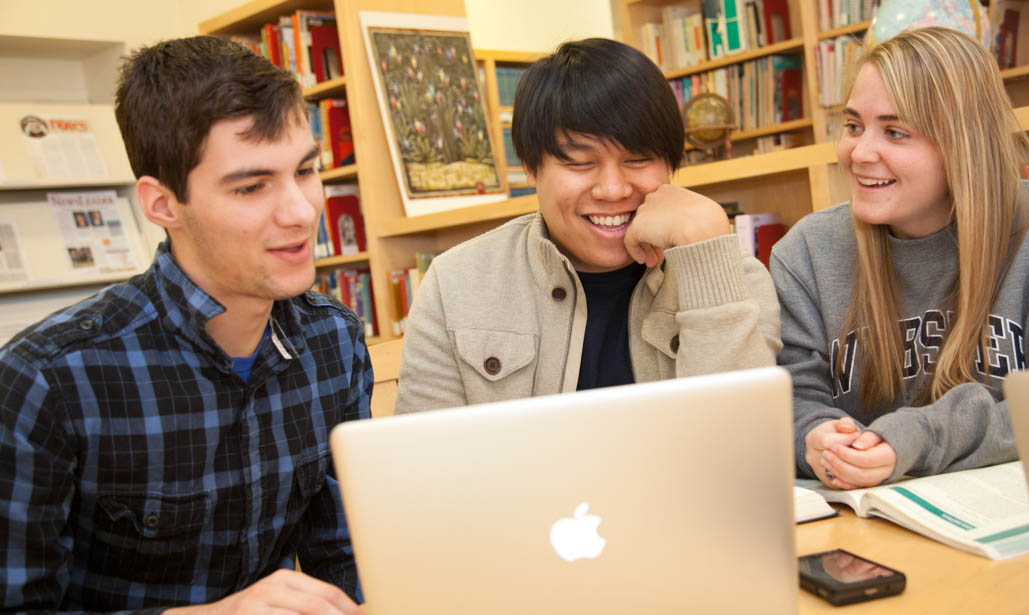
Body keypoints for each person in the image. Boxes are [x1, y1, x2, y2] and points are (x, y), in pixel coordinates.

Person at [0, 36, 370, 613]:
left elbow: (347, 557)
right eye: (252, 186)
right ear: (162, 204)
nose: (300, 212)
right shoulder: (47, 380)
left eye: (305, 170)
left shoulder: (336, 342)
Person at [771, 27, 1029, 491]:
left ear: (963, 145)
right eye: (853, 126)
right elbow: (792, 399)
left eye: (895, 131)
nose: (859, 152)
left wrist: (917, 437)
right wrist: (816, 437)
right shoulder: (805, 252)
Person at [395, 38, 780, 412]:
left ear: (670, 163)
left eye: (638, 159)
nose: (612, 190)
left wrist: (708, 258)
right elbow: (426, 465)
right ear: (530, 167)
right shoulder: (456, 284)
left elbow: (743, 449)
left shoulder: (737, 280)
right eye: (579, 162)